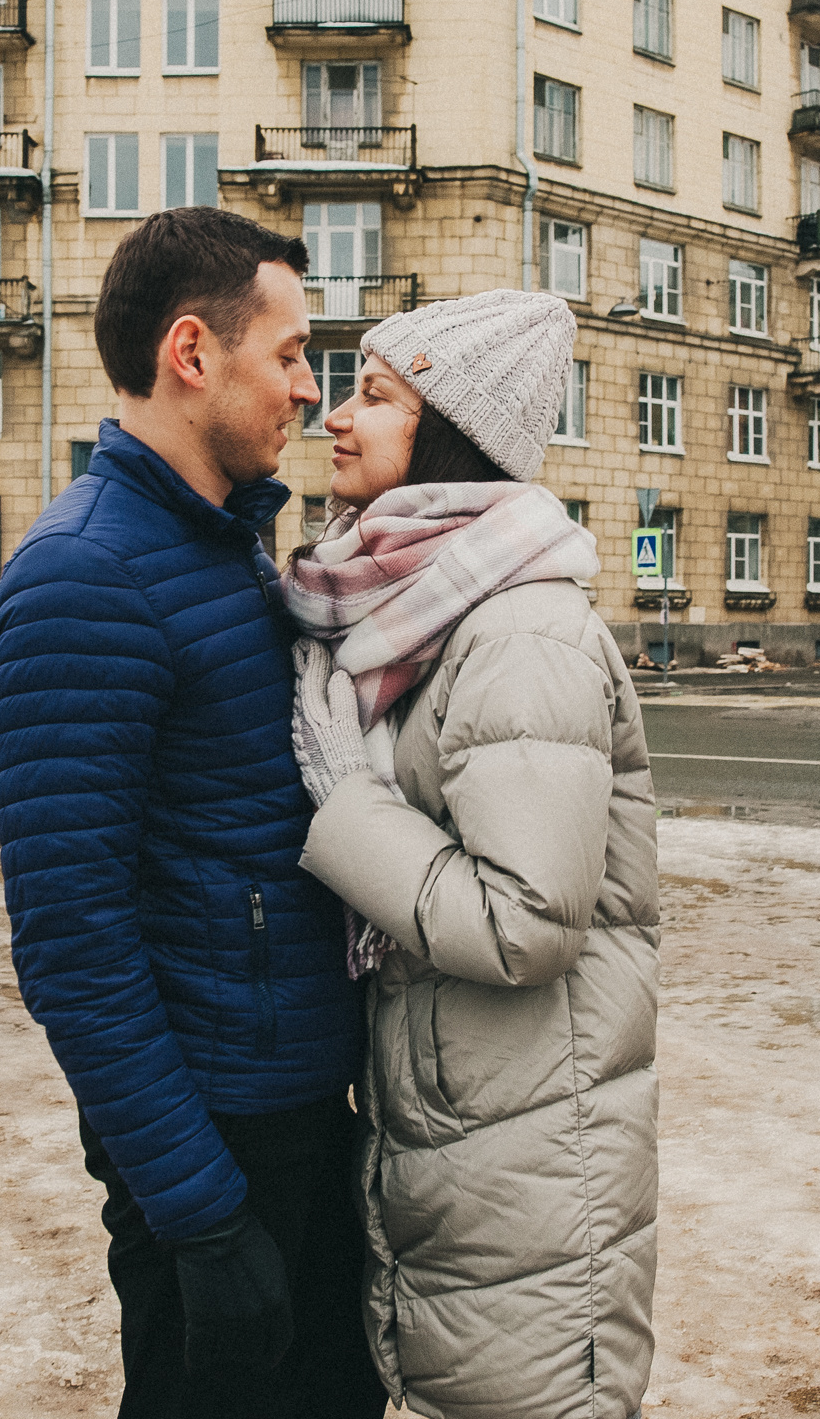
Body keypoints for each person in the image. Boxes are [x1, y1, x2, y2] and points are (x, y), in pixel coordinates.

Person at [0, 207, 388, 1419]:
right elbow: (71, 943)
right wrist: (201, 1215)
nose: (309, 392)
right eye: (292, 354)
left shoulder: (224, 546)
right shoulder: (83, 574)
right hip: (212, 1143)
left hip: (296, 1108)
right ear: (193, 354)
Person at [282, 290, 660, 1418]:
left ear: (450, 434)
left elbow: (527, 922)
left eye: (376, 396)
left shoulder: (521, 634)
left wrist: (342, 810)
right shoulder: (420, 611)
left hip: (537, 1167)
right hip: (476, 1139)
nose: (336, 417)